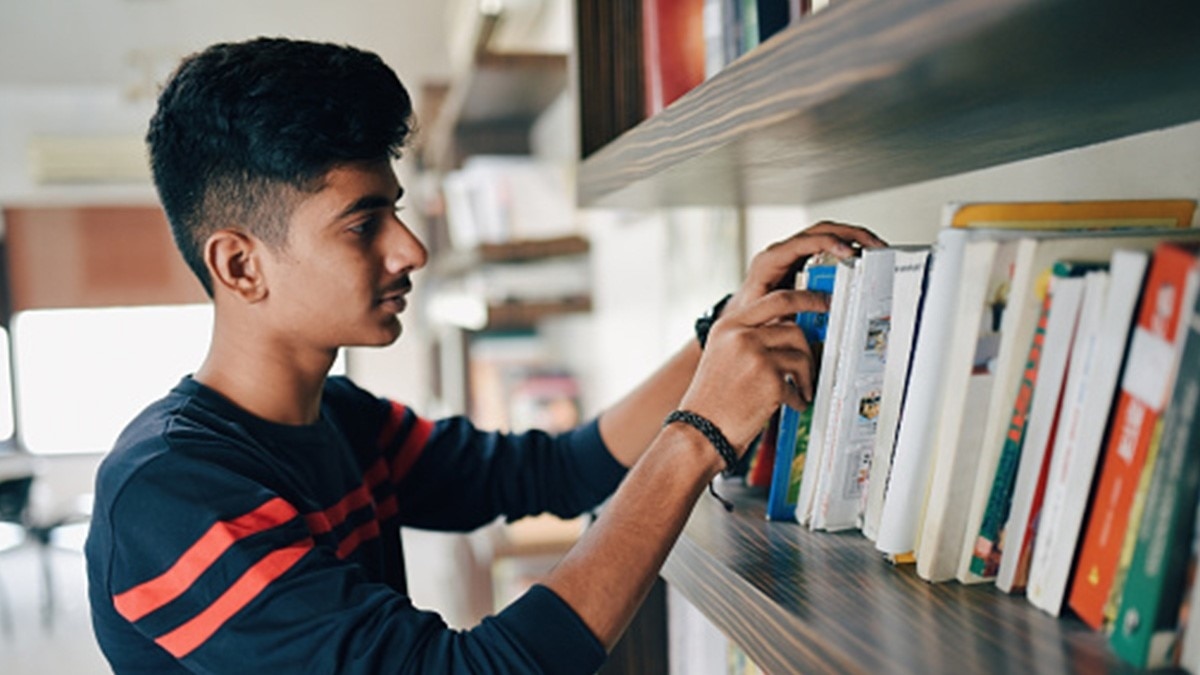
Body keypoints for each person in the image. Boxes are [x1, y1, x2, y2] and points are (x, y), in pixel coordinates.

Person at [84, 36, 882, 674]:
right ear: (239, 265)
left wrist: (722, 332)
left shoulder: (343, 418)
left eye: (395, 210)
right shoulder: (169, 497)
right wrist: (700, 433)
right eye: (364, 224)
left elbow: (558, 469)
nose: (412, 249)